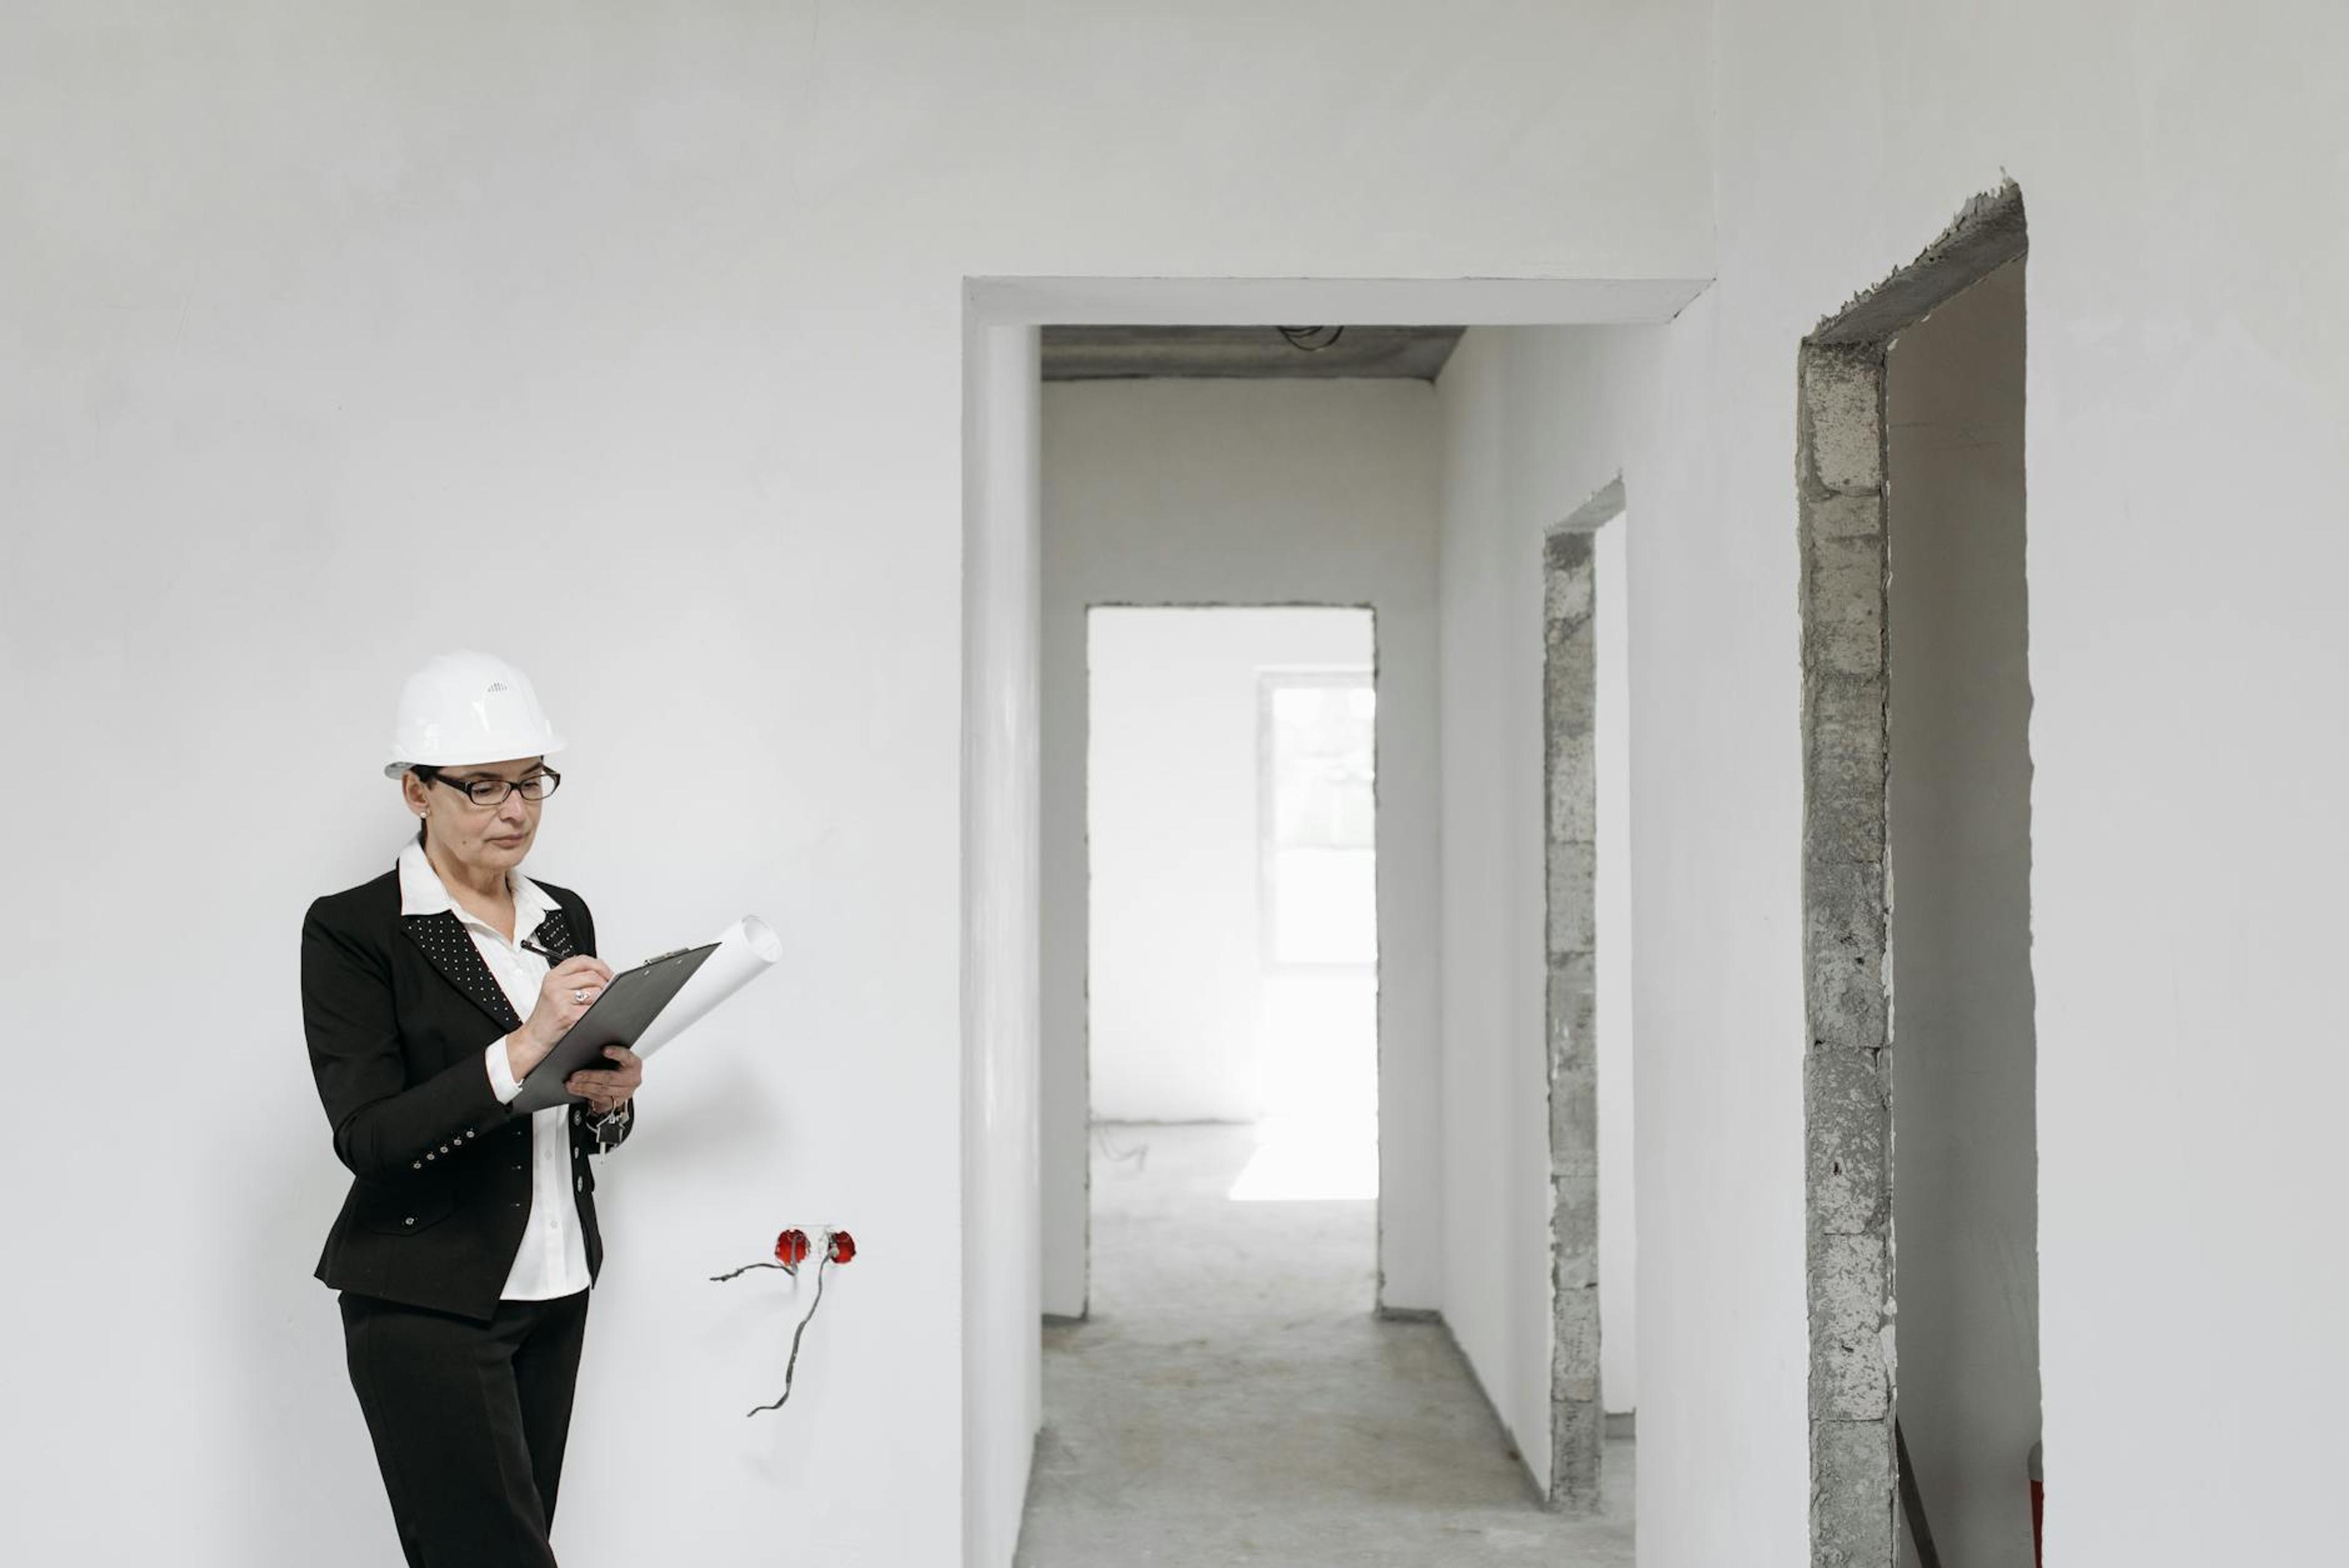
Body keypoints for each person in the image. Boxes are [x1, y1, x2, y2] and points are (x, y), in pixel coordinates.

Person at [300, 650, 644, 1567]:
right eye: (483, 787)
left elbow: (567, 1107)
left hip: (556, 1284)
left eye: (532, 782)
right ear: (416, 791)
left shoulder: (560, 912)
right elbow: (369, 1136)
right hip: (427, 1300)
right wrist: (526, 1043)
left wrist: (608, 1097)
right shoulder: (353, 930)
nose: (516, 810)